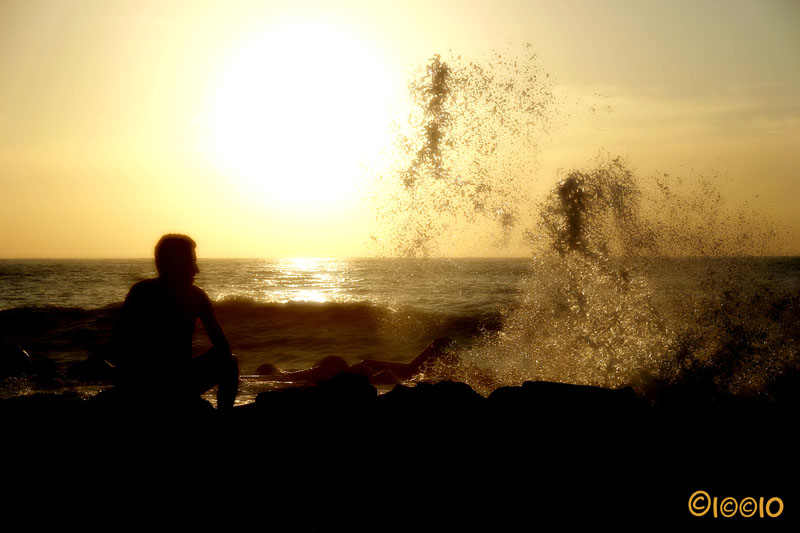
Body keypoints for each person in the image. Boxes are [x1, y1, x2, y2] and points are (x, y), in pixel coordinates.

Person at [111, 234, 239, 410]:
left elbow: (117, 343)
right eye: (190, 262)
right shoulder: (195, 296)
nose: (196, 270)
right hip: (168, 384)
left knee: (227, 360)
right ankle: (224, 416)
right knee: (229, 362)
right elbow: (223, 348)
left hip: (148, 383)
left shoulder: (141, 291)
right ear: (174, 263)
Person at [254, 337, 455, 386]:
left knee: (365, 361)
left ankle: (455, 370)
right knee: (412, 370)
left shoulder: (286, 375)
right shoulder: (285, 376)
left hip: (354, 372)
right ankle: (455, 371)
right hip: (357, 375)